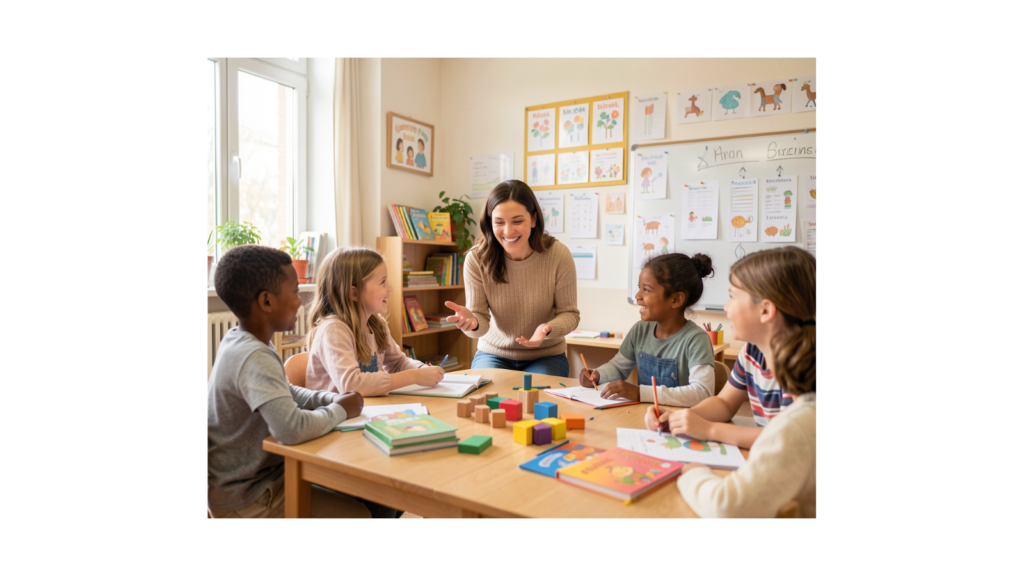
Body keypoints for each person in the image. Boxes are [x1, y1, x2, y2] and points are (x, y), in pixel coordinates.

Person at [208, 245, 396, 518]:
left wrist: (329, 399)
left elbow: (284, 391)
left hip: (265, 477)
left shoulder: (245, 341)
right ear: (266, 302)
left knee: (381, 495)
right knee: (363, 514)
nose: (300, 301)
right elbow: (291, 430)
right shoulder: (253, 356)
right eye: (295, 292)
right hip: (251, 494)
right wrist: (340, 410)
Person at [672, 246, 816, 517]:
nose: (726, 307)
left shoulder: (802, 420)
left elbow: (725, 506)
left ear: (765, 311)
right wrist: (682, 417)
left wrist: (694, 471)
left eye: (731, 297)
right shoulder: (754, 351)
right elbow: (725, 403)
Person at [445, 179, 579, 376]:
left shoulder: (558, 255)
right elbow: (480, 321)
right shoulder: (476, 258)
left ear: (534, 219)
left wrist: (547, 329)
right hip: (493, 354)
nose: (508, 231)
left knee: (539, 402)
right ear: (490, 223)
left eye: (517, 221)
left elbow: (570, 314)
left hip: (546, 355)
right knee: (486, 399)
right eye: (499, 222)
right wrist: (472, 323)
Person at [579, 253, 715, 407]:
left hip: (679, 423)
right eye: (639, 288)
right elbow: (618, 367)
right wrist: (597, 374)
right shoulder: (640, 330)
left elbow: (703, 393)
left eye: (646, 290)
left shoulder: (696, 340)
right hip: (645, 417)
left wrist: (640, 393)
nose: (637, 296)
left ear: (675, 299)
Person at [305, 247, 445, 396]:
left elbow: (398, 363)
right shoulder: (333, 330)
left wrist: (420, 370)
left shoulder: (377, 325)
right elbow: (352, 385)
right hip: (333, 416)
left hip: (366, 409)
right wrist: (413, 377)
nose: (390, 288)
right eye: (383, 282)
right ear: (354, 292)